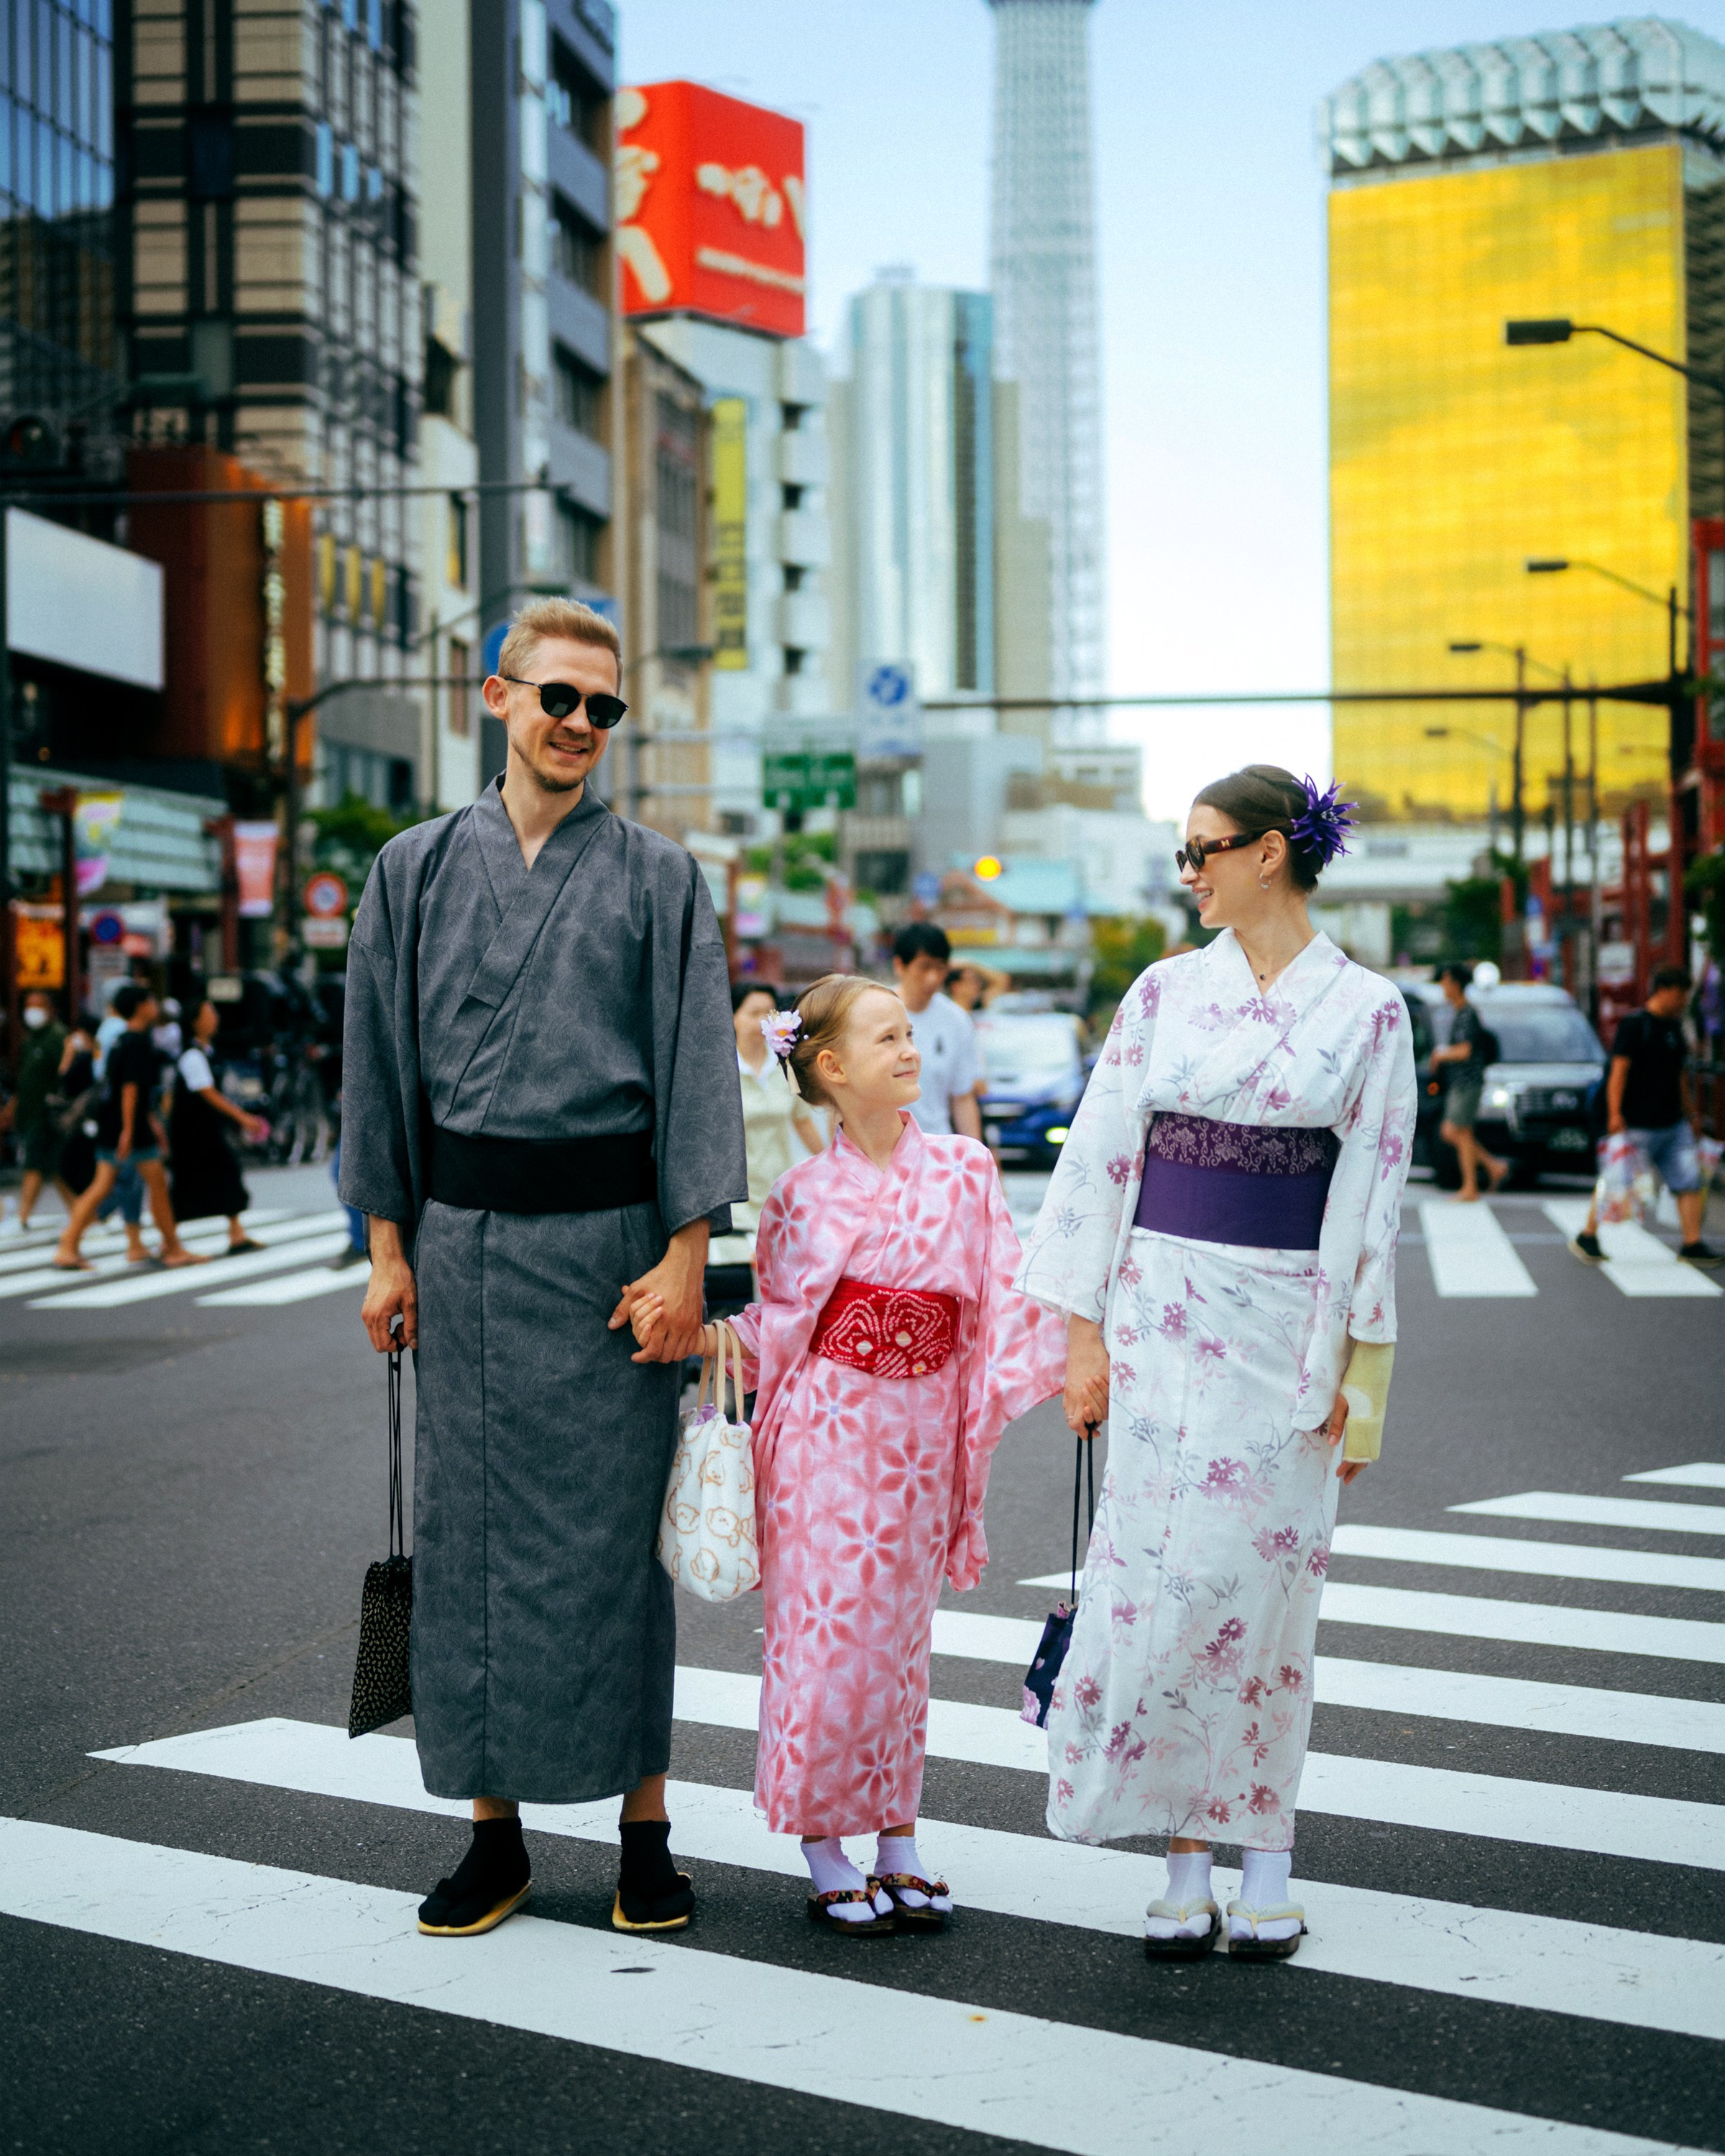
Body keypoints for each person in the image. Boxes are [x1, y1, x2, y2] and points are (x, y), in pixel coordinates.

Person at [340, 596, 747, 1943]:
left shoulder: (659, 878)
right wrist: (389, 1251)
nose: (580, 725)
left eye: (603, 708)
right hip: (460, 1251)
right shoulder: (409, 869)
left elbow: (696, 1073)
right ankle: (490, 1836)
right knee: (468, 1551)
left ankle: (646, 1832)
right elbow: (380, 1073)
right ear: (497, 697)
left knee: (615, 1551)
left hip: (612, 1262)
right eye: (558, 698)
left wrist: (689, 1261)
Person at [1015, 765, 1414, 1963]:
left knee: (1269, 1605)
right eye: (1184, 853)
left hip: (1289, 1326)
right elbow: (1099, 1161)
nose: (1187, 874)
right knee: (1159, 1595)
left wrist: (1357, 1376)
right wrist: (1080, 1335)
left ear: (1273, 853)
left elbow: (1374, 1194)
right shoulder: (1160, 994)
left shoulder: (1369, 1011)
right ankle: (1183, 1859)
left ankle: (1268, 1860)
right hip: (1154, 1321)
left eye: (1204, 851)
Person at [630, 974, 1069, 1933]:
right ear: (831, 1068)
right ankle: (826, 1840)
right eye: (887, 1039)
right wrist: (703, 1340)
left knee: (901, 1650)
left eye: (910, 1034)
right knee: (825, 1647)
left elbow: (1007, 1295)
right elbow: (783, 1325)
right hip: (826, 1439)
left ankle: (898, 1833)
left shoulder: (966, 1170)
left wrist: (1080, 1348)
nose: (911, 1051)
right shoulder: (800, 1195)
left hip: (919, 1436)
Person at [1570, 963, 1721, 1268]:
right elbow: (1618, 1072)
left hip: (1673, 1122)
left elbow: (1679, 1075)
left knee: (1689, 1180)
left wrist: (1691, 1114)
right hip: (1637, 1122)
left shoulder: (1673, 1027)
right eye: (1681, 995)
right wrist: (1614, 1115)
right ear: (1665, 991)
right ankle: (1588, 1235)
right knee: (1617, 1182)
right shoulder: (1635, 1025)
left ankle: (1692, 1243)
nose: (1683, 1002)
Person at [52, 985, 206, 1271]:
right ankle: (172, 1248)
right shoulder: (137, 1042)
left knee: (102, 1186)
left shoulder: (122, 1040)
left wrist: (141, 1124)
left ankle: (68, 1245)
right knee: (156, 1184)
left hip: (117, 1124)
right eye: (150, 1001)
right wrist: (130, 1130)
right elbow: (131, 1089)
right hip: (129, 1127)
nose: (154, 1005)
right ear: (139, 1007)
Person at [168, 998, 269, 1251]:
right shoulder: (193, 1055)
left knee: (223, 1173)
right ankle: (169, 1239)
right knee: (189, 1180)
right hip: (191, 1131)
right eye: (209, 1013)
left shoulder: (207, 1052)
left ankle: (236, 1232)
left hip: (203, 1128)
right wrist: (243, 1118)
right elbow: (208, 1093)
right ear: (195, 1022)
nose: (215, 1018)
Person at [732, 982, 824, 1228]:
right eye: (753, 1014)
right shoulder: (722, 1072)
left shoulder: (785, 1067)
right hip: (736, 1198)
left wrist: (831, 1162)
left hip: (779, 1193)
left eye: (768, 1014)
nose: (761, 1021)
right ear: (733, 1018)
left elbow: (802, 1121)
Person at [891, 923, 981, 1138]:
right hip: (884, 1148)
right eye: (924, 967)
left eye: (940, 968)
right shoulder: (874, 1012)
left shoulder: (957, 1020)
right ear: (900, 965)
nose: (933, 978)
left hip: (936, 1147)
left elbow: (963, 1097)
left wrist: (975, 1156)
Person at [1429, 962, 1508, 1202]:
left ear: (1455, 984)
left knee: (1453, 1131)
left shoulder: (1467, 1014)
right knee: (1461, 1132)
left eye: (1445, 981)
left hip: (1467, 1082)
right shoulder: (1461, 1011)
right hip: (1462, 1082)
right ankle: (1484, 1174)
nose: (1443, 986)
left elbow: (1465, 1051)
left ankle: (1479, 1179)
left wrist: (1440, 1054)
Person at [1, 990, 71, 1231]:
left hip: (47, 1114)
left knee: (36, 1164)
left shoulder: (56, 1037)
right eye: (29, 1005)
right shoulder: (30, 1040)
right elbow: (26, 1080)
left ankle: (22, 1217)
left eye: (38, 1006)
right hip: (30, 1113)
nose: (32, 1011)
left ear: (50, 1009)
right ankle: (83, 1213)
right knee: (54, 1167)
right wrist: (13, 1107)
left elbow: (65, 1074)